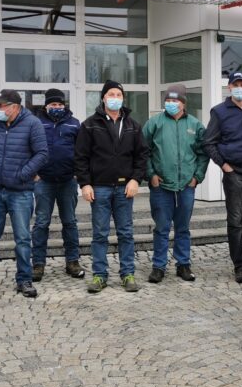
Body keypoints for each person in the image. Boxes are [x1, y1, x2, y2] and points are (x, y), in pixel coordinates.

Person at [75, 80, 148, 294]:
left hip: (125, 188)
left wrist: (136, 179)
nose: (115, 98)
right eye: (111, 94)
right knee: (100, 234)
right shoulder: (89, 125)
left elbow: (142, 155)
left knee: (126, 233)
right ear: (103, 98)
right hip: (100, 188)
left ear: (123, 98)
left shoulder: (133, 125)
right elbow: (80, 157)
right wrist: (85, 183)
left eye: (118, 94)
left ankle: (128, 274)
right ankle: (99, 275)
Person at [0, 90, 49, 301]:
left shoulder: (32, 123)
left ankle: (24, 280)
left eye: (1, 106)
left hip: (21, 192)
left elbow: (42, 153)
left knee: (23, 239)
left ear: (14, 106)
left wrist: (23, 175)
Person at [204, 72, 242, 283]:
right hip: (235, 175)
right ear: (229, 87)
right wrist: (224, 165)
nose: (239, 87)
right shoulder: (219, 112)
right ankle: (240, 266)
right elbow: (209, 142)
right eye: (235, 84)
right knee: (235, 222)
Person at [144, 84, 209, 284]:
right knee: (162, 228)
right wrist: (151, 175)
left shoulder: (195, 125)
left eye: (175, 100)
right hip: (161, 187)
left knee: (183, 228)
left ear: (183, 103)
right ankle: (158, 266)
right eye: (168, 100)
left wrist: (197, 177)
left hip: (185, 187)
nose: (171, 104)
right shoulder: (154, 123)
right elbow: (142, 151)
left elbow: (203, 153)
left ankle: (183, 264)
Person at [30, 89, 84, 282]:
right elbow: (29, 148)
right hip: (43, 181)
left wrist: (79, 174)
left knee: (70, 222)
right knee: (42, 223)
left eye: (60, 105)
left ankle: (72, 261)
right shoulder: (36, 123)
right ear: (46, 105)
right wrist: (33, 173)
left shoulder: (74, 123)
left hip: (68, 181)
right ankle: (38, 264)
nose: (57, 108)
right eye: (53, 105)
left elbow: (81, 151)